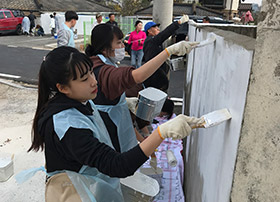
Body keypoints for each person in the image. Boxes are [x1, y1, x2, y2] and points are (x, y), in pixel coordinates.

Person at [27, 46, 198, 201]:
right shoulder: (69, 127)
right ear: (63, 88)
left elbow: (96, 121)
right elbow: (119, 166)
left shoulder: (78, 100)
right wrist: (160, 134)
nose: (94, 81)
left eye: (91, 73)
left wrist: (123, 107)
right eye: (84, 79)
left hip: (92, 185)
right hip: (77, 192)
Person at [85, 24, 199, 154]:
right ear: (104, 48)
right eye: (118, 43)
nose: (123, 46)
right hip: (109, 132)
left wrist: (125, 102)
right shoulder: (103, 70)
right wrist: (168, 52)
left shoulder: (100, 62)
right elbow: (137, 76)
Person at [143, 15, 189, 91]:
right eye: (155, 27)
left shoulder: (153, 41)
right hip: (155, 77)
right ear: (149, 31)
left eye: (157, 27)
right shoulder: (151, 41)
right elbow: (165, 34)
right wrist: (178, 23)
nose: (158, 29)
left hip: (155, 75)